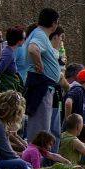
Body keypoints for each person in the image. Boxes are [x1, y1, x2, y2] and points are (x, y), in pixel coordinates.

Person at [25, 9, 67, 141]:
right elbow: (32, 49)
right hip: (41, 88)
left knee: (43, 130)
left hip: (44, 87)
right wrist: (40, 64)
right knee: (41, 132)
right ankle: (35, 160)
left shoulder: (38, 34)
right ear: (54, 23)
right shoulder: (40, 35)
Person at [0, 26, 25, 92]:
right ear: (18, 41)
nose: (25, 40)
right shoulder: (8, 54)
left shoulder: (8, 51)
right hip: (5, 90)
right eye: (24, 38)